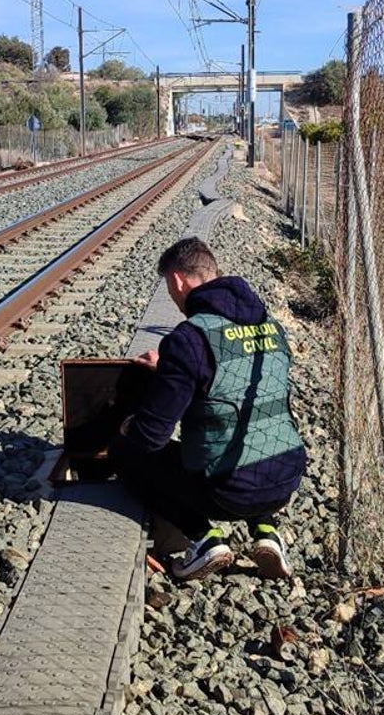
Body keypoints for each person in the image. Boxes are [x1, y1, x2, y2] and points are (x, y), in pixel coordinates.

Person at [111, 237, 307, 581]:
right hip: (286, 480)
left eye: (171, 293)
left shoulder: (190, 338)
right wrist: (172, 368)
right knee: (253, 434)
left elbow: (152, 435)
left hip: (226, 491)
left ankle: (203, 538)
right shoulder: (271, 327)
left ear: (176, 281)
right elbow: (232, 377)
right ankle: (266, 531)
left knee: (129, 452)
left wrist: (126, 426)